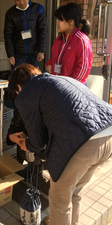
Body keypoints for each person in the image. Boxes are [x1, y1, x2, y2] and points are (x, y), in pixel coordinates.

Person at [8, 63, 112, 225]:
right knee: (75, 192)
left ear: (18, 87)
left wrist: (26, 144)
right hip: (107, 135)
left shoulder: (27, 92)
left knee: (59, 201)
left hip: (82, 142)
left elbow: (37, 140)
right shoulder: (58, 80)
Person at [45, 3, 93, 85]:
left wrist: (69, 87)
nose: (57, 23)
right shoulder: (59, 39)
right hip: (58, 85)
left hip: (74, 89)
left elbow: (82, 71)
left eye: (60, 20)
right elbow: (55, 58)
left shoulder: (82, 40)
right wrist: (49, 64)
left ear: (71, 22)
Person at [4, 0, 47, 71]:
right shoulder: (10, 13)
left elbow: (43, 31)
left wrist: (41, 51)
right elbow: (8, 35)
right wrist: (10, 55)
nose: (21, 2)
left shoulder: (38, 9)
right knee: (18, 80)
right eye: (18, 0)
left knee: (33, 79)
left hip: (34, 53)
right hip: (17, 55)